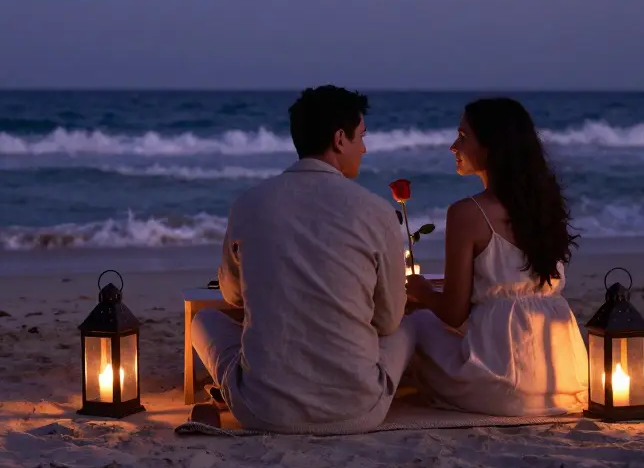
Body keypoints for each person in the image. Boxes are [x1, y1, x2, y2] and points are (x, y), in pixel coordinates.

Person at [190, 85, 414, 433]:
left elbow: (233, 297)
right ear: (340, 139)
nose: (364, 148)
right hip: (358, 410)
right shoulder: (376, 211)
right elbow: (387, 322)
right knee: (411, 326)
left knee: (202, 321)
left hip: (262, 410)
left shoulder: (249, 203)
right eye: (361, 137)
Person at [404, 97, 589, 416]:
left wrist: (421, 291)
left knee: (416, 323)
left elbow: (453, 314)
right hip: (565, 381)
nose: (452, 146)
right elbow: (512, 284)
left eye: (463, 137)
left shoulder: (467, 213)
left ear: (492, 147)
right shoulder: (545, 207)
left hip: (503, 386)